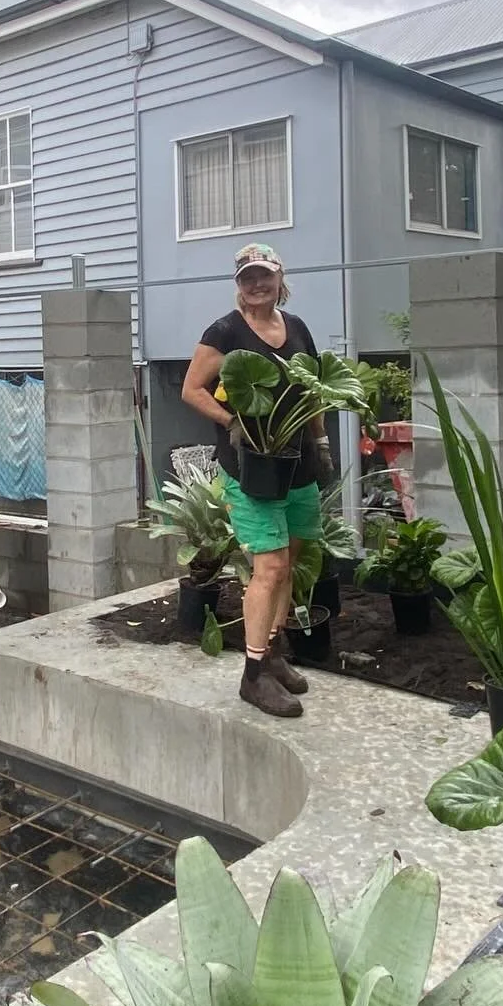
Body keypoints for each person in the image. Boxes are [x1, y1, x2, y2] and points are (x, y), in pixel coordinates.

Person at [180, 243, 333, 718]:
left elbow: (314, 392)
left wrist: (322, 443)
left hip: (299, 464)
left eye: (264, 275)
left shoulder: (299, 328)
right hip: (252, 470)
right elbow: (191, 389)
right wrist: (232, 424)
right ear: (238, 285)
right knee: (268, 567)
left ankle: (272, 653)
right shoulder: (224, 331)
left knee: (289, 561)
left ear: (279, 278)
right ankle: (252, 675)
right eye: (248, 278)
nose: (257, 284)